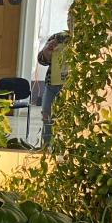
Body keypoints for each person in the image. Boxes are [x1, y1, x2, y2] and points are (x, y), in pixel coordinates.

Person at [37, 14, 72, 147]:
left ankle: (63, 148)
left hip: (69, 85)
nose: (71, 22)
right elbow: (41, 59)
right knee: (46, 115)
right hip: (51, 84)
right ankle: (46, 148)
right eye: (69, 19)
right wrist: (47, 50)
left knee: (64, 118)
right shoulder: (58, 37)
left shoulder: (83, 39)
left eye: (74, 19)